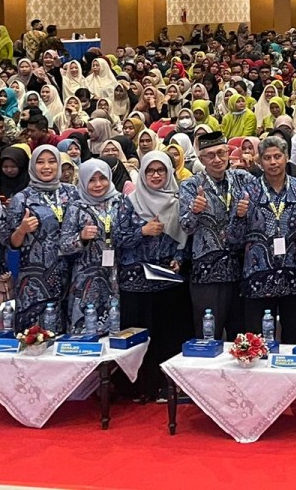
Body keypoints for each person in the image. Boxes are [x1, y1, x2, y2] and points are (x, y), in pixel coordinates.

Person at [116, 150, 189, 401]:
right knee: (137, 337)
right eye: (150, 171)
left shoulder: (177, 201)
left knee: (167, 334)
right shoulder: (129, 202)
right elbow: (117, 239)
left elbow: (184, 238)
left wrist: (179, 260)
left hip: (166, 281)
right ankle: (137, 389)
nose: (156, 176)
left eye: (161, 171)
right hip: (135, 282)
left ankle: (164, 387)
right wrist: (143, 231)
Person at [230, 136, 296, 344]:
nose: (273, 162)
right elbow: (234, 239)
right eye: (267, 158)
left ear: (287, 157)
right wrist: (239, 217)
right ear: (260, 160)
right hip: (257, 276)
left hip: (292, 275)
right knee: (257, 341)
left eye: (277, 156)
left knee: (293, 338)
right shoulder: (248, 191)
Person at [179, 131, 252, 340]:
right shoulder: (191, 185)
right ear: (201, 159)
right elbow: (185, 226)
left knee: (241, 340)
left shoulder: (242, 179)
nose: (217, 159)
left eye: (221, 153)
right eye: (210, 155)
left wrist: (244, 214)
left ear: (228, 153)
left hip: (238, 271)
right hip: (206, 275)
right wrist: (194, 211)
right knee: (207, 337)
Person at [2, 145, 74, 329]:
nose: (46, 167)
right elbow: (12, 244)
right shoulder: (22, 199)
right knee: (36, 336)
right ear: (33, 166)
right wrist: (22, 230)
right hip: (35, 280)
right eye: (40, 162)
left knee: (70, 336)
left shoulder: (72, 193)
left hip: (70, 273)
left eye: (52, 161)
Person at [59, 159, 121, 333]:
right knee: (86, 330)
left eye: (102, 178)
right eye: (92, 180)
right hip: (86, 278)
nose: (98, 184)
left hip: (115, 275)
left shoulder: (120, 201)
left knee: (116, 327)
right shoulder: (76, 207)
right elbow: (64, 245)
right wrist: (81, 237)